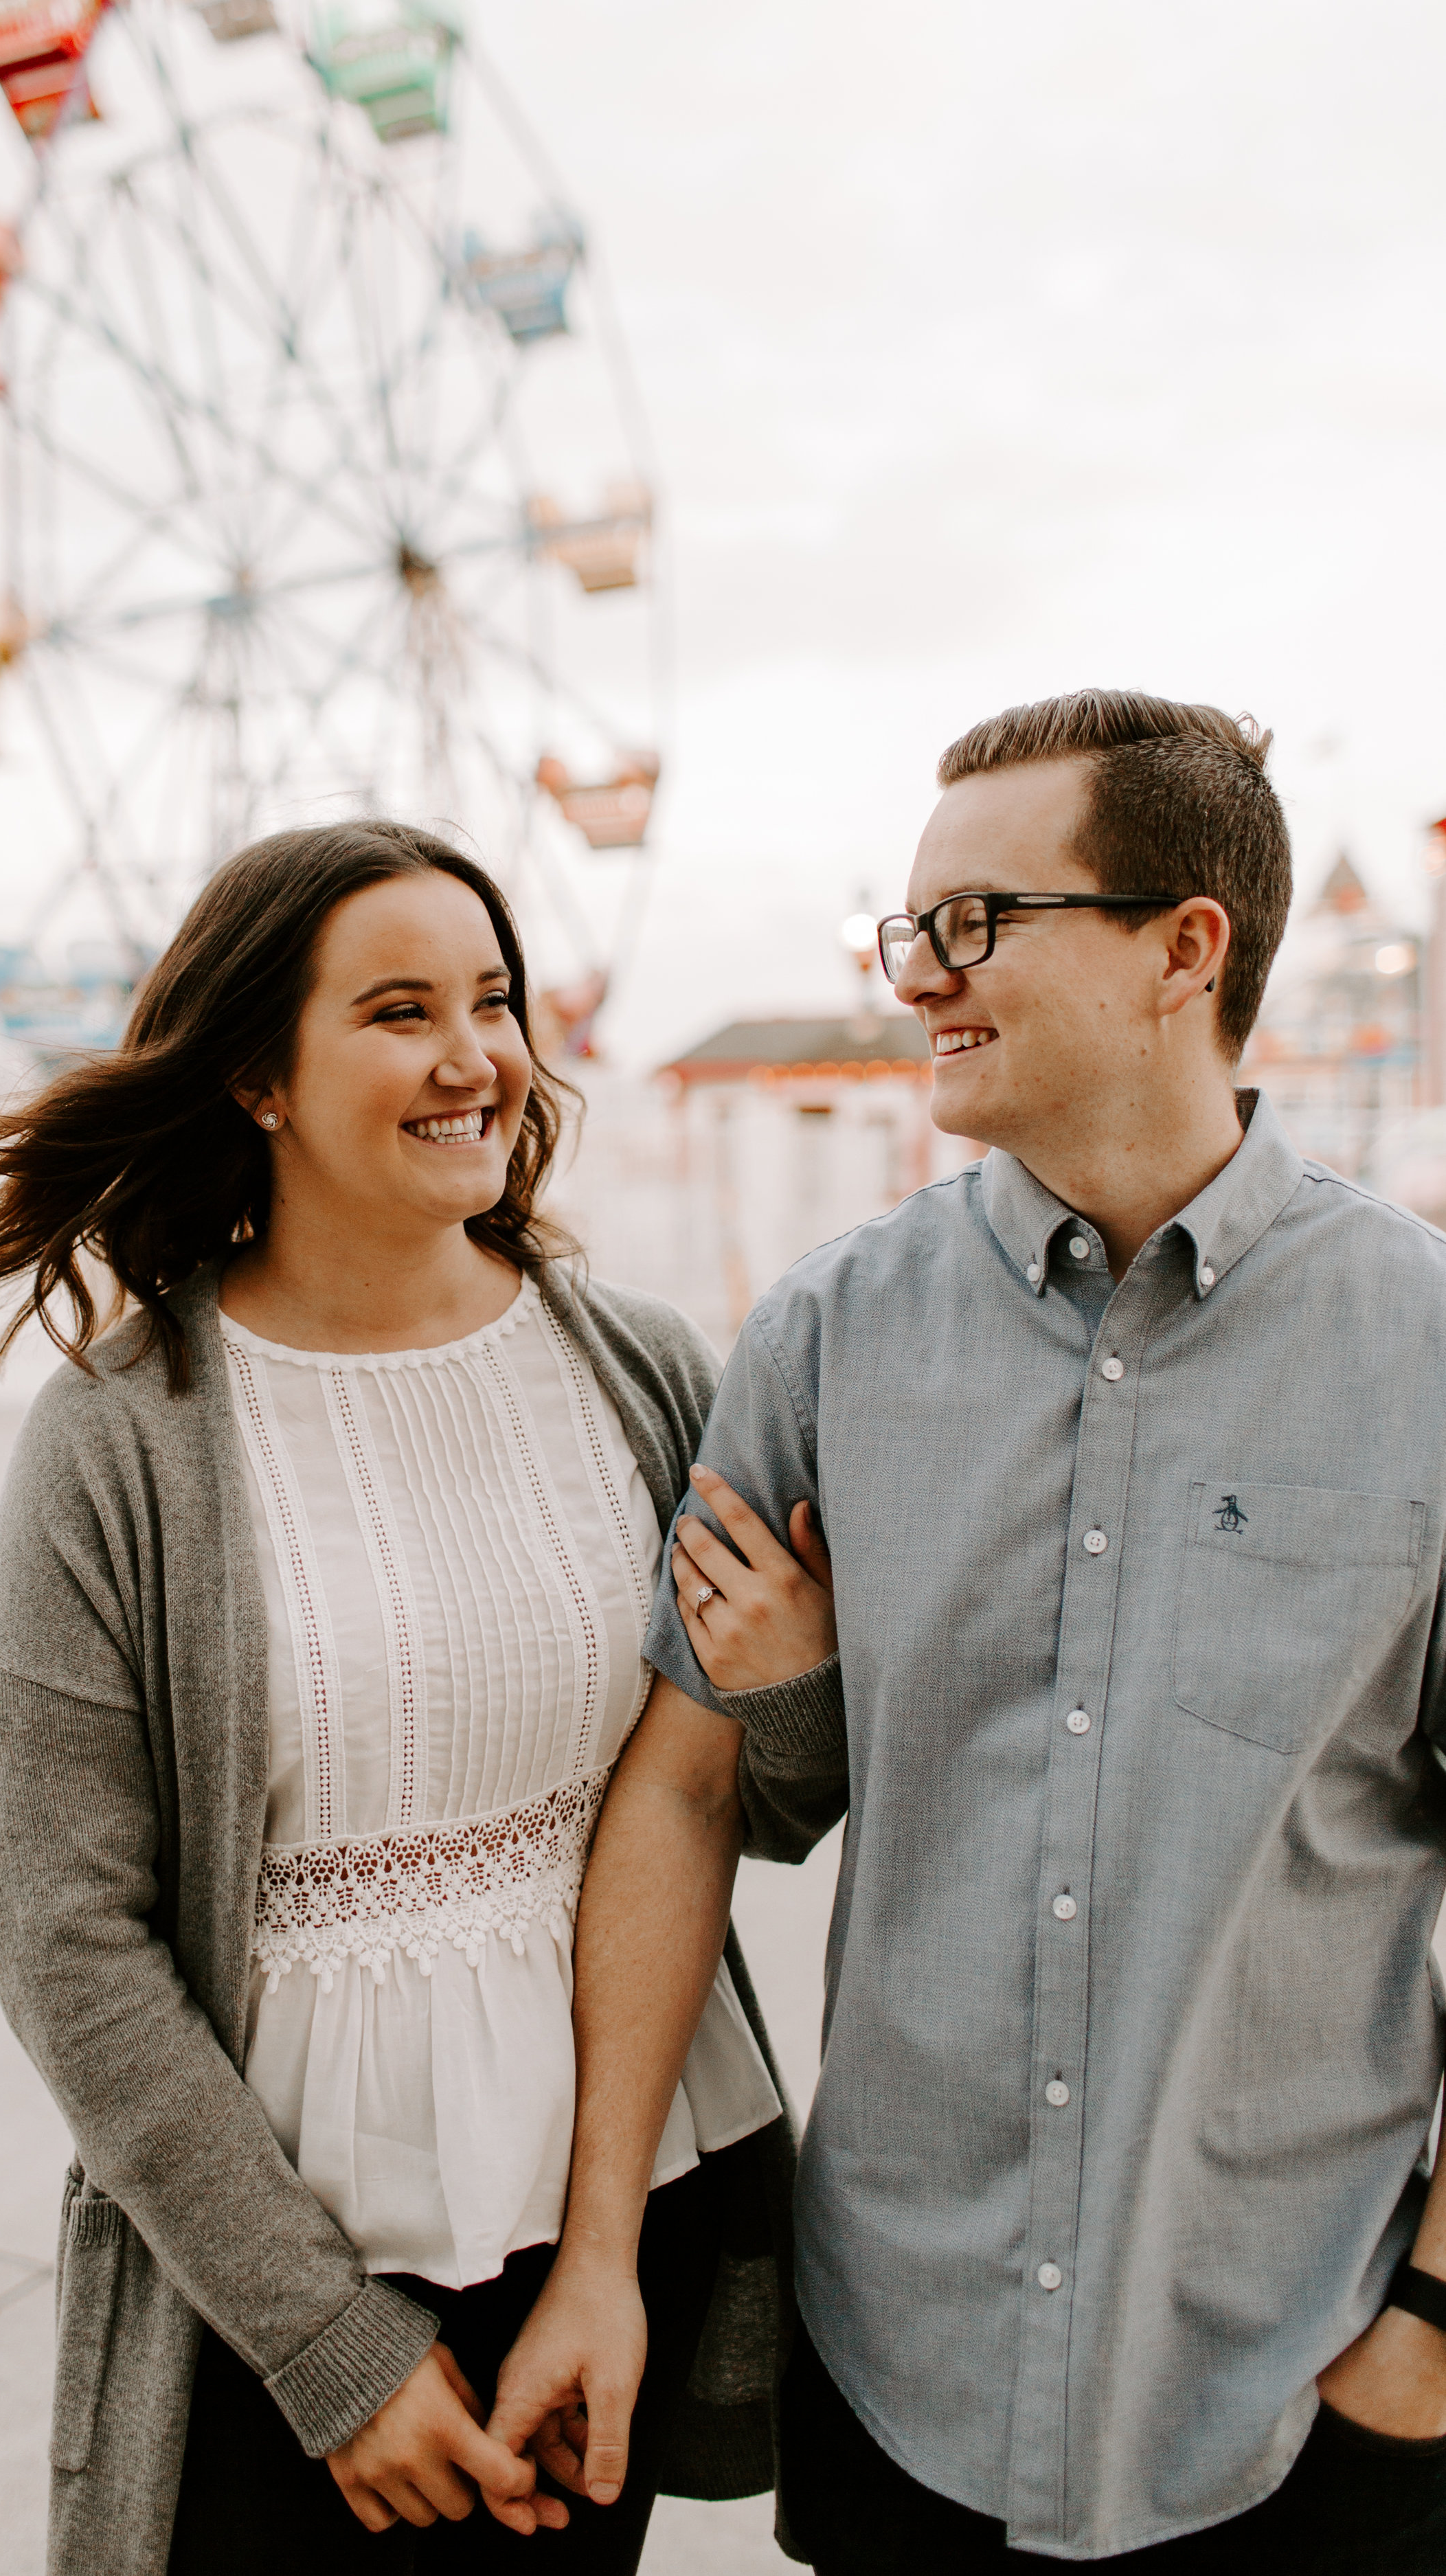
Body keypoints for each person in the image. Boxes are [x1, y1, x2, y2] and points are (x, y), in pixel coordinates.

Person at [490, 692, 1446, 2571]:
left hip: (1297, 2373)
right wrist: (598, 2249)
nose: (918, 974)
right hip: (895, 2367)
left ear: (1186, 947)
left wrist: (1428, 2315)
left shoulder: (1421, 1345)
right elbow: (684, 1797)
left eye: (975, 923)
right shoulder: (826, 1332)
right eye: (906, 927)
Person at [0, 820, 821, 2576]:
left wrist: (796, 1683)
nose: (474, 1058)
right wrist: (324, 2343)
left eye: (494, 999)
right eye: (400, 1011)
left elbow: (759, 1801)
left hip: (616, 2220)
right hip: (276, 2276)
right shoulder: (121, 1438)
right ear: (255, 1074)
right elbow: (64, 1928)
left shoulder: (644, 1372)